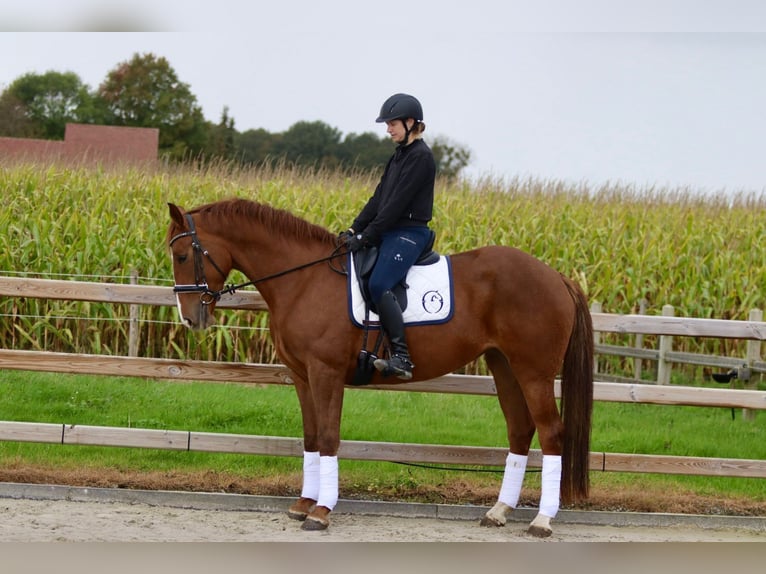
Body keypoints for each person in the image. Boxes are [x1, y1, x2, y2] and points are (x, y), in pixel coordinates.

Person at [341, 93, 436, 380]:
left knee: (381, 281)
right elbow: (379, 197)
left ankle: (402, 357)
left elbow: (395, 207)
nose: (388, 129)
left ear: (410, 123)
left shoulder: (421, 158)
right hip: (391, 230)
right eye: (387, 124)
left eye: (392, 123)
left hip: (409, 232)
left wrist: (367, 236)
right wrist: (354, 229)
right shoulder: (399, 156)